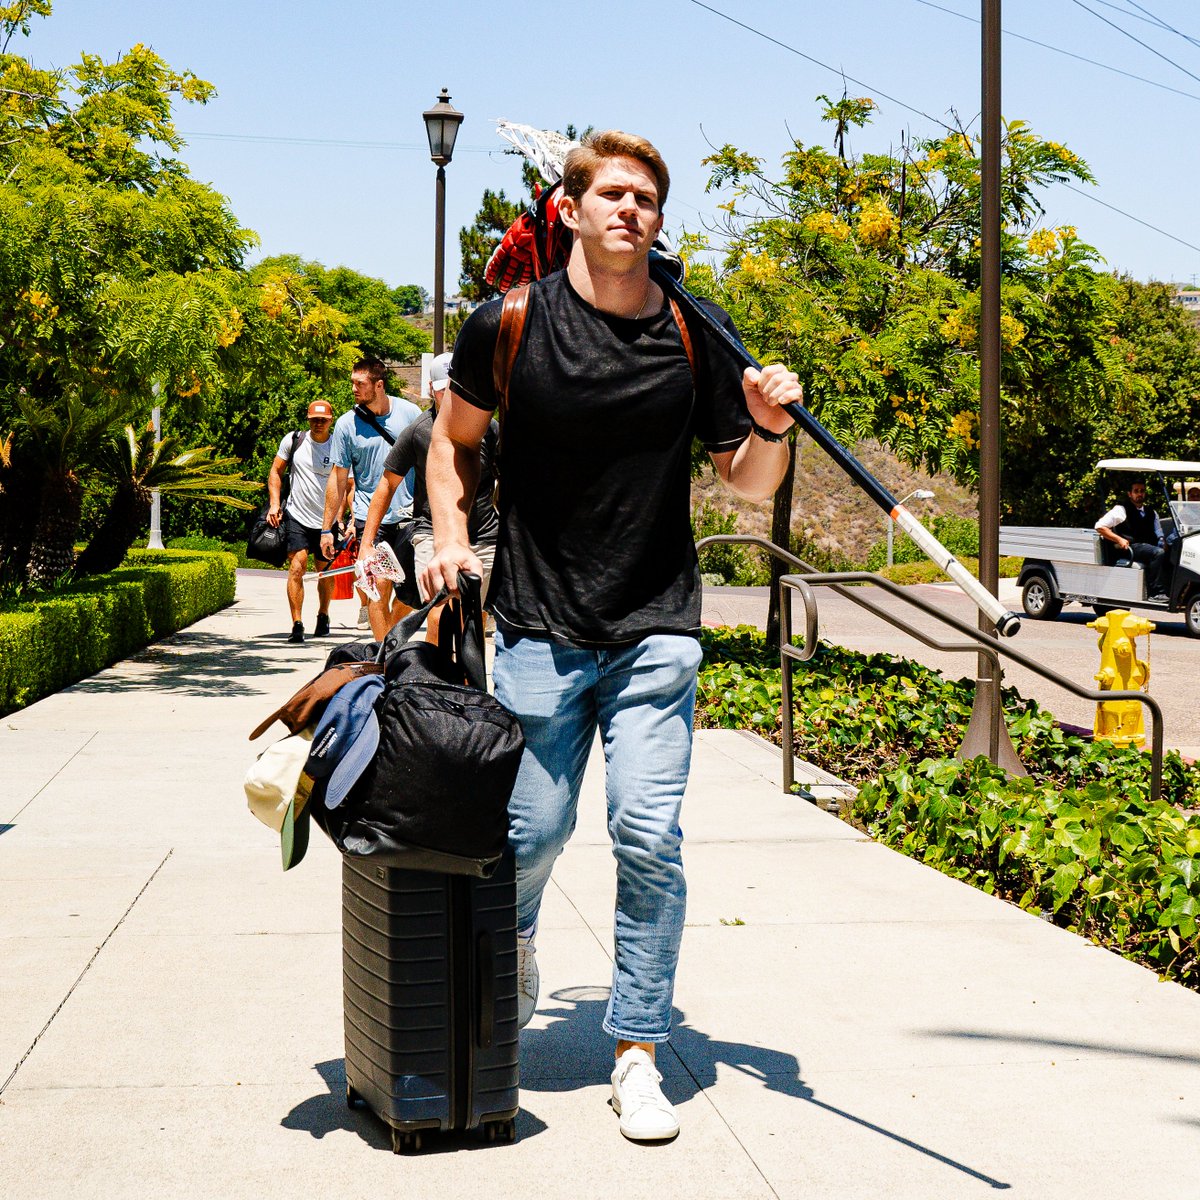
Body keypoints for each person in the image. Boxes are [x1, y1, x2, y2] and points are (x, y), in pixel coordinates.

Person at [420, 130, 802, 1142]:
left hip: (657, 626)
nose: (630, 208)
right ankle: (528, 937)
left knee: (647, 836)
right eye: (613, 193)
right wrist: (450, 540)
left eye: (647, 197)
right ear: (574, 208)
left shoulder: (695, 335)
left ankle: (635, 1048)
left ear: (658, 220)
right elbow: (454, 450)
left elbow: (746, 483)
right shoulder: (508, 323)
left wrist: (767, 426)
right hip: (540, 623)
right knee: (530, 833)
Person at [358, 352, 499, 645]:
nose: (449, 396)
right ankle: (434, 679)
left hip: (484, 535)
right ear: (431, 390)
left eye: (455, 389)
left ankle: (467, 686)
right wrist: (366, 544)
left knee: (475, 617)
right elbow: (386, 485)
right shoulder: (418, 432)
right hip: (432, 534)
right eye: (442, 390)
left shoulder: (490, 429)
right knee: (438, 611)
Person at [319, 356, 421, 639]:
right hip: (370, 519)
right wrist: (327, 528)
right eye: (352, 383)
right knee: (379, 586)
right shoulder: (345, 425)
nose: (354, 389)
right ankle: (385, 657)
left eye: (360, 384)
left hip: (410, 516)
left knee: (411, 595)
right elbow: (339, 480)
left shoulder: (411, 414)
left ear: (379, 385)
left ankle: (391, 636)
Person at [266, 400, 350, 644]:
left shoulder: (338, 445)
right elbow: (275, 471)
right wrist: (274, 503)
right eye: (314, 419)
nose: (318, 423)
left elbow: (347, 485)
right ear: (308, 418)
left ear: (331, 420)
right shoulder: (294, 440)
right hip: (297, 516)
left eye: (323, 419)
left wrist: (341, 517)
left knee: (324, 572)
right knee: (297, 567)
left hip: (327, 520)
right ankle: (297, 623)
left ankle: (323, 615)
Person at [1095, 478, 1169, 602]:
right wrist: (1119, 539)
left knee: (1172, 551)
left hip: (1148, 547)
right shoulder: (1121, 510)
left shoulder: (1152, 512)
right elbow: (1100, 526)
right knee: (1158, 553)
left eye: (1142, 491)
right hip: (1131, 547)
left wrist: (1163, 541)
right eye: (1136, 491)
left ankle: (1170, 589)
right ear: (1130, 494)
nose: (1140, 494)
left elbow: (1159, 532)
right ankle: (1155, 593)